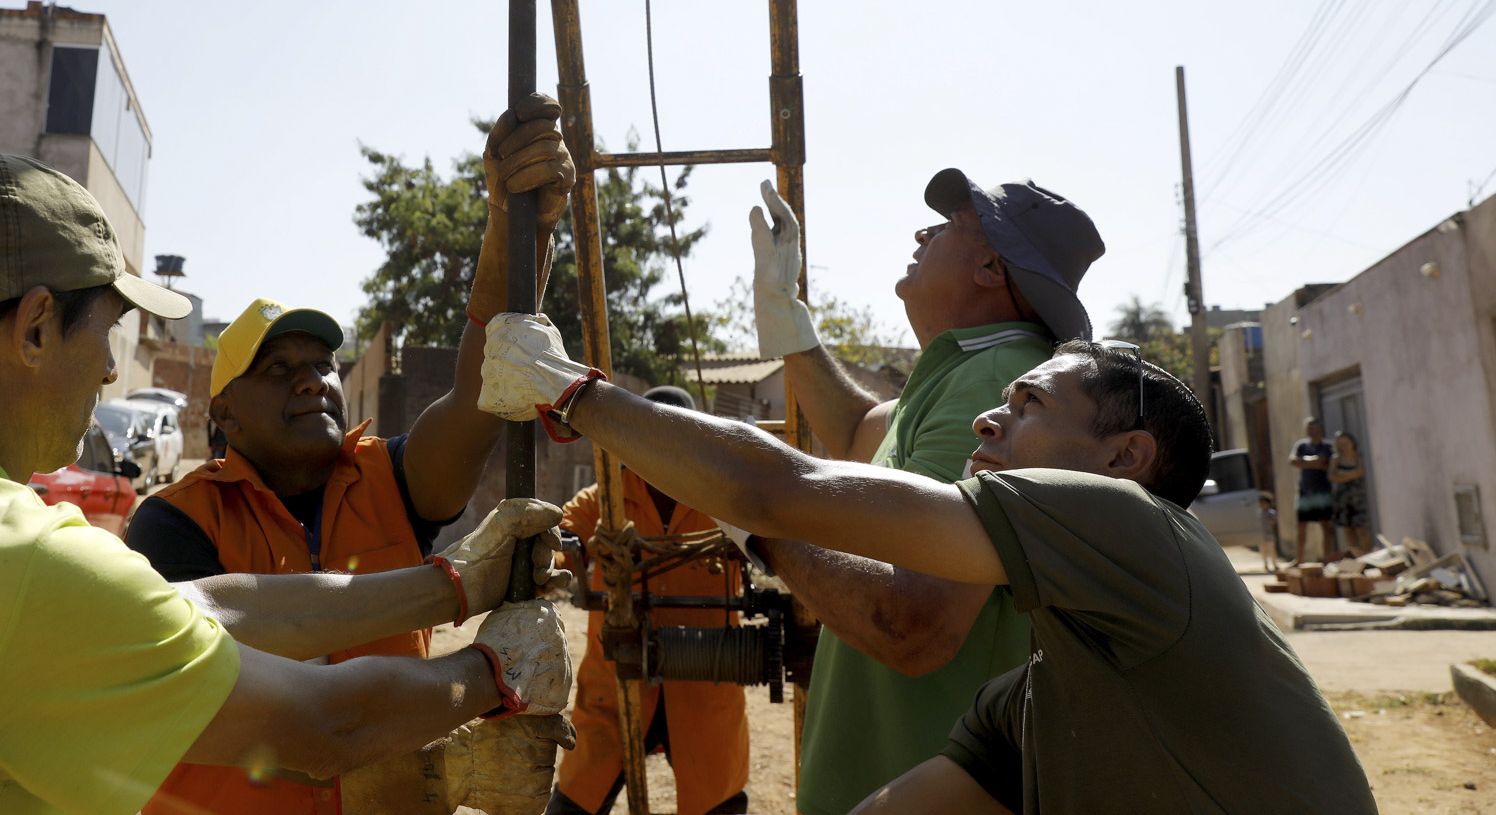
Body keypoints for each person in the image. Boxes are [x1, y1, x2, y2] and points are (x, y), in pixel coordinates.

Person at [0, 150, 572, 815]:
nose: (110, 373)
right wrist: (493, 671)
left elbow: (199, 606)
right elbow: (321, 726)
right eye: (106, 334)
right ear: (36, 328)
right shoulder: (27, 567)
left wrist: (456, 583)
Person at [476, 326, 1377, 812]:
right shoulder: (1036, 703)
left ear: (1124, 458)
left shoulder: (1131, 522)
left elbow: (783, 485)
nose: (989, 420)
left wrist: (566, 388)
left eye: (1027, 402)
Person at [122, 94, 578, 815]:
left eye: (322, 364)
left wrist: (520, 227)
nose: (312, 378)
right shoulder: (174, 526)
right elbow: (264, 721)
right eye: (278, 369)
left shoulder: (392, 481)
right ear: (224, 414)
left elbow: (484, 386)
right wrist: (482, 688)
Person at [714, 174, 1102, 813]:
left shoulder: (999, 381)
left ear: (987, 265)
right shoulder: (968, 371)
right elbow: (853, 431)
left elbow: (912, 621)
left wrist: (759, 526)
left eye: (949, 223)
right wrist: (784, 312)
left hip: (914, 779)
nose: (923, 232)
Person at [549, 385, 749, 815]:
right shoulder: (606, 497)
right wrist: (561, 548)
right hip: (617, 685)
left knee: (718, 800)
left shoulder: (726, 499)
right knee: (575, 801)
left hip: (704, 685)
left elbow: (775, 536)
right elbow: (561, 534)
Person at [1289, 418, 1336, 563]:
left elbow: (1325, 463)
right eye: (1309, 428)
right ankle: (1300, 559)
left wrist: (1304, 462)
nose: (1311, 431)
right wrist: (1315, 462)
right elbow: (1293, 461)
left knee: (1325, 525)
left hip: (1322, 491)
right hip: (1305, 491)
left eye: (1313, 428)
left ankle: (1326, 557)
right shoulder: (1302, 445)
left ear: (1320, 429)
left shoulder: (1327, 446)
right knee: (1301, 526)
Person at [1331, 431, 1371, 553]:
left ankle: (1367, 555)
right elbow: (1332, 476)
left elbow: (1361, 472)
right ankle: (1356, 558)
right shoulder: (1336, 458)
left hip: (1358, 497)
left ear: (1352, 443)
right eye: (1341, 444)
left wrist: (1343, 474)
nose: (1344, 446)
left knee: (1361, 528)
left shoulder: (1357, 456)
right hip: (1343, 497)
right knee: (1348, 529)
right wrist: (1352, 475)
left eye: (1346, 443)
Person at [1259, 491, 1280, 573]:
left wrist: (1267, 518)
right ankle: (1265, 564)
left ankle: (1274, 564)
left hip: (1269, 535)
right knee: (1263, 551)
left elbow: (1274, 522)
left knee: (1272, 551)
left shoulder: (1271, 513)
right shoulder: (1259, 513)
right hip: (1261, 535)